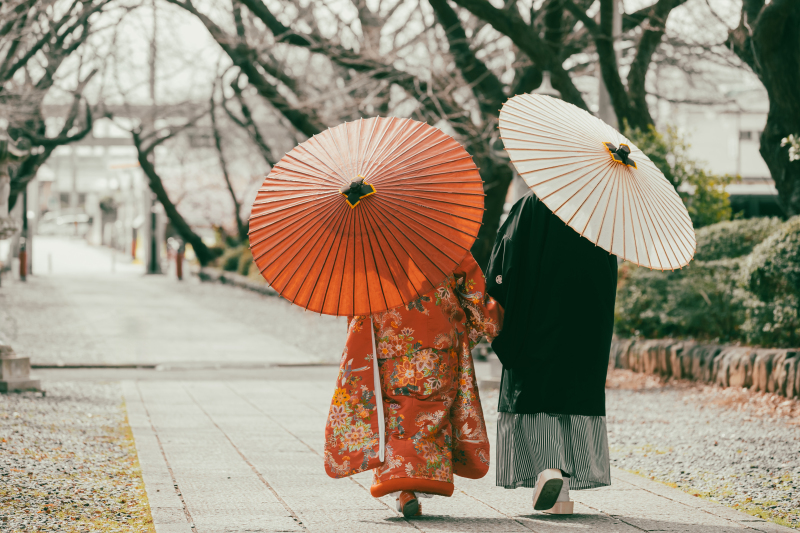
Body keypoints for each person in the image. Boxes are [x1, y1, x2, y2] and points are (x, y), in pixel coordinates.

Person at [323, 252, 503, 517]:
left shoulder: (370, 247)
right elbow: (473, 291)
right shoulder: (442, 238)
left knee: (394, 412)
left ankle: (401, 487)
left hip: (387, 340)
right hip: (437, 339)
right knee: (432, 411)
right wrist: (486, 323)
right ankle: (420, 483)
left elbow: (355, 297)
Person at [484, 193, 618, 514]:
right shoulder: (600, 210)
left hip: (537, 316)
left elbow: (506, 260)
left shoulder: (534, 204)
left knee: (536, 390)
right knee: (575, 392)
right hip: (587, 324)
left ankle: (549, 467)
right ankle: (563, 496)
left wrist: (495, 294)